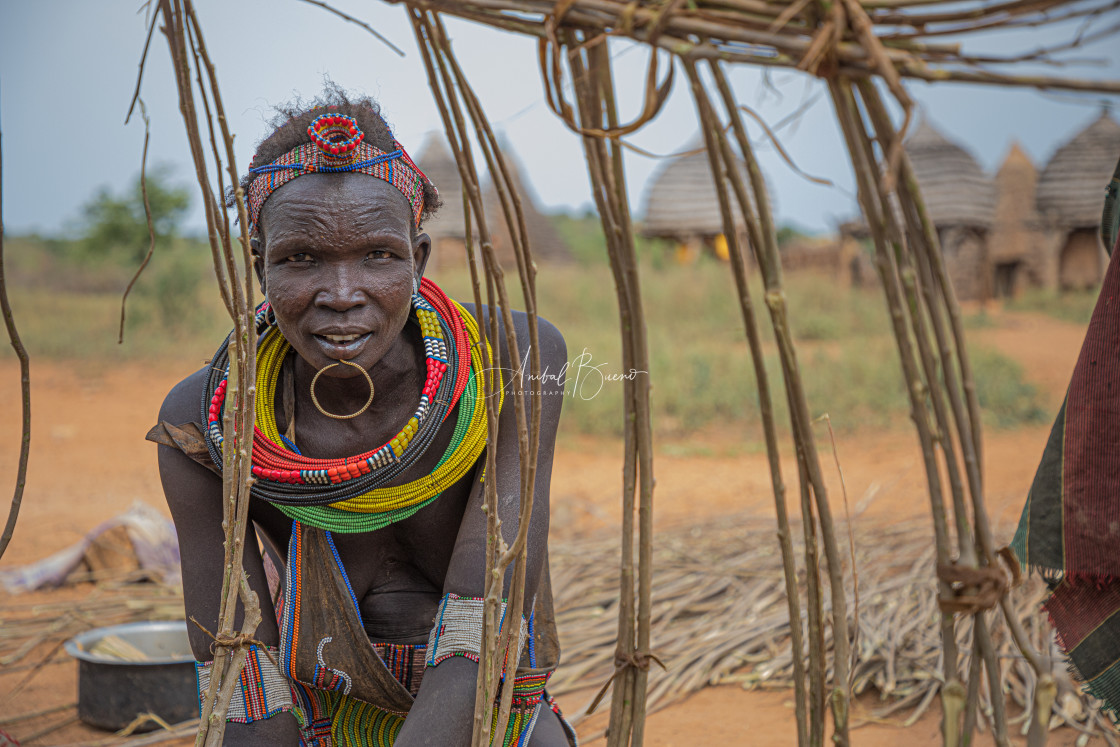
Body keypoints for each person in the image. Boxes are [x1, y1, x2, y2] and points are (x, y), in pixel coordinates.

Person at [152, 89, 576, 746]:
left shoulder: (511, 358)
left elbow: (484, 610)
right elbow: (243, 673)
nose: (343, 294)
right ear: (260, 265)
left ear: (420, 258)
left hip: (487, 697)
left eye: (378, 255)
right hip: (321, 707)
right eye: (301, 259)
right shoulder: (210, 421)